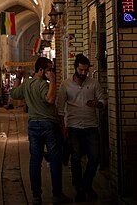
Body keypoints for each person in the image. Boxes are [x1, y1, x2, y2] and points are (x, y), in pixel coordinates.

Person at [10, 56, 72, 205]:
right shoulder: (43, 84)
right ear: (41, 70)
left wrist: (19, 78)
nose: (50, 72)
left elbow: (13, 94)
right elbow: (50, 99)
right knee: (55, 160)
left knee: (35, 161)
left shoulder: (27, 84)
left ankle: (36, 196)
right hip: (48, 125)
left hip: (33, 126)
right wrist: (53, 81)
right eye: (49, 70)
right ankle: (57, 195)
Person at [57, 53, 106, 202]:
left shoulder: (94, 83)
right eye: (81, 70)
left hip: (91, 125)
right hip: (74, 126)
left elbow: (103, 100)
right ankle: (79, 188)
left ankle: (86, 184)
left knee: (94, 157)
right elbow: (60, 108)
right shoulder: (65, 85)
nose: (84, 73)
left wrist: (97, 104)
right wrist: (63, 127)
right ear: (75, 68)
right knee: (76, 158)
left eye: (86, 70)